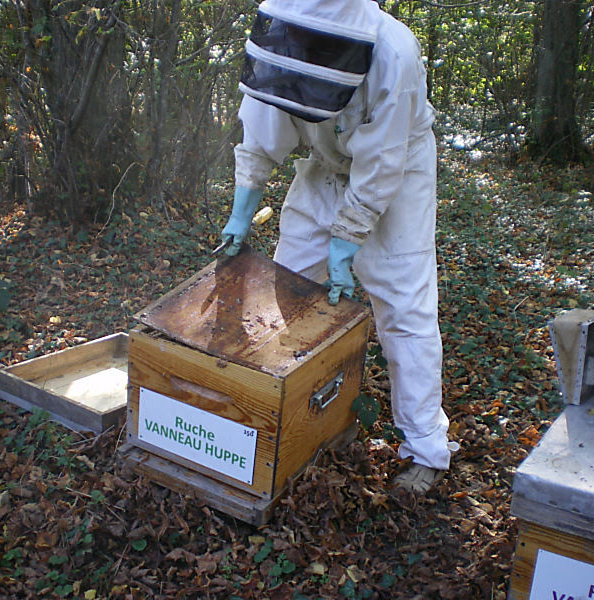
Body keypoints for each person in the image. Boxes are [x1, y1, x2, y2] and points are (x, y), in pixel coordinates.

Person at [220, 0, 454, 493]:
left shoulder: (395, 53)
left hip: (399, 172)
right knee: (288, 287)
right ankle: (290, 418)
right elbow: (263, 132)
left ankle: (426, 450)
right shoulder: (282, 39)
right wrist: (242, 209)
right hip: (325, 163)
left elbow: (383, 160)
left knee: (404, 310)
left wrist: (347, 240)